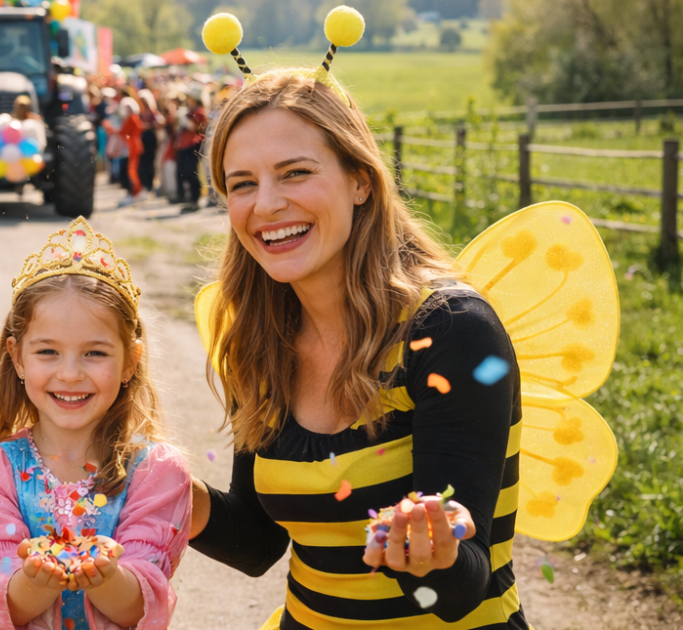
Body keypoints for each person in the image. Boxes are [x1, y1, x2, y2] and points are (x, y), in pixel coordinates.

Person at [187, 10, 535, 629]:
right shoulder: (257, 339)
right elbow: (258, 542)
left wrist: (431, 553)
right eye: (242, 184)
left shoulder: (451, 330)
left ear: (359, 181)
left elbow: (461, 593)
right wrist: (157, 489)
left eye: (295, 172)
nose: (267, 205)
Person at [0, 218, 191, 630]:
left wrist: (103, 576)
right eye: (48, 351)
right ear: (17, 357)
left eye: (94, 353)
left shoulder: (156, 472)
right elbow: (1, 605)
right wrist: (37, 578)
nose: (69, 374)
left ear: (129, 362)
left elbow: (140, 607)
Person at [172, 92, 206, 211]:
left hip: (193, 145)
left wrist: (183, 119)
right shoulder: (189, 111)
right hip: (184, 145)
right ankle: (189, 199)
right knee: (182, 173)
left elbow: (196, 128)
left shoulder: (199, 111)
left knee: (191, 173)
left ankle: (195, 200)